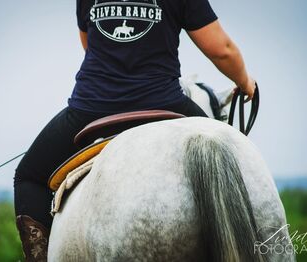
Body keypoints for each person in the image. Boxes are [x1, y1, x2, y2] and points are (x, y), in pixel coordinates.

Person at [14, 0, 256, 260]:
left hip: (92, 107)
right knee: (229, 161)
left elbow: (90, 45)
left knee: (30, 177)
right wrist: (245, 82)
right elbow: (222, 50)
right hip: (164, 102)